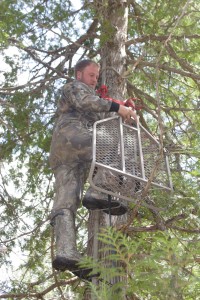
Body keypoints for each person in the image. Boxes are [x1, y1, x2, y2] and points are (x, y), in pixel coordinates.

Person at [49, 59, 137, 278]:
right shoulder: (74, 87)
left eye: (97, 76)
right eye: (91, 75)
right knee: (110, 139)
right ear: (79, 74)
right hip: (72, 136)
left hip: (65, 155)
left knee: (66, 202)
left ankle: (66, 251)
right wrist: (118, 107)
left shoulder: (90, 96)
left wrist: (122, 109)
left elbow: (99, 109)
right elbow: (87, 102)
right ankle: (98, 190)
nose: (94, 79)